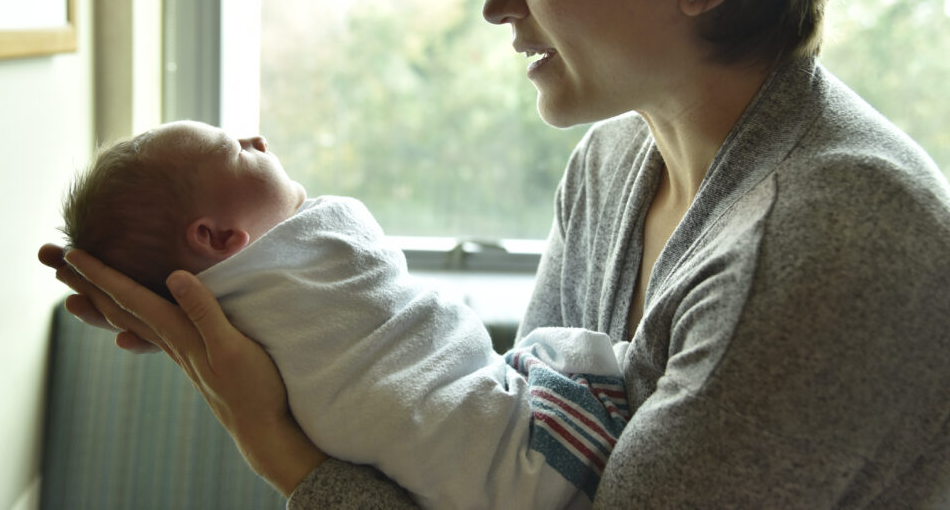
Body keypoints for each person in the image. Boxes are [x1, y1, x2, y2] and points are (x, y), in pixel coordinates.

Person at [40, 0, 950, 506]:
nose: (496, 1)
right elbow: (506, 466)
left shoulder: (832, 238)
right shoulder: (610, 169)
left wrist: (274, 441)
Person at [58, 119, 631, 509]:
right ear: (217, 236)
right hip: (496, 444)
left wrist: (268, 438)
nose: (256, 140)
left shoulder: (227, 319)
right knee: (560, 355)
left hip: (458, 470)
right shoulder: (322, 243)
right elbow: (351, 230)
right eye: (234, 149)